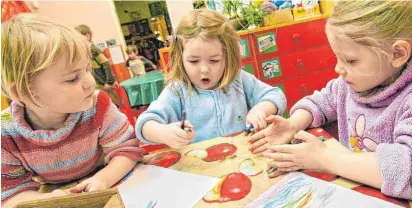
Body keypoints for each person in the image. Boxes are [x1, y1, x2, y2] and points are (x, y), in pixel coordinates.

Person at [249, 1, 412, 207]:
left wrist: (325, 158)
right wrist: (293, 124)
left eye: (350, 60)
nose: (338, 69)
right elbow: (323, 100)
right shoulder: (356, 82)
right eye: (337, 57)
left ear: (398, 53)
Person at [1, 14, 145, 208]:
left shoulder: (97, 104)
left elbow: (127, 150)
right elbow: (10, 194)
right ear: (25, 91)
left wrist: (103, 179)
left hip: (108, 181)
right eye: (72, 78)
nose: (90, 82)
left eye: (87, 70)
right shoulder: (5, 132)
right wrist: (46, 201)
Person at [135, 9, 286, 148]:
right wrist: (164, 132)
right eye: (194, 61)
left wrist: (260, 110)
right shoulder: (177, 91)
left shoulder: (238, 79)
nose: (204, 69)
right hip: (202, 169)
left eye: (214, 60)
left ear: (228, 57)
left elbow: (275, 95)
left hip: (245, 160)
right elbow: (144, 124)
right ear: (180, 59)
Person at [74, 24, 120, 105]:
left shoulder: (93, 49)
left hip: (104, 83)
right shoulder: (85, 51)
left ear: (87, 36)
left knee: (113, 104)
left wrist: (108, 82)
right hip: (98, 83)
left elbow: (105, 63)